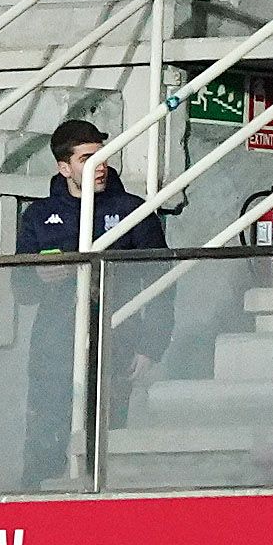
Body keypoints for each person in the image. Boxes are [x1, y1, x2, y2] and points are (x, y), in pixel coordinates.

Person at [15, 119, 169, 485]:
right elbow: (20, 291)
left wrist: (152, 345)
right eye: (86, 158)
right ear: (64, 167)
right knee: (45, 434)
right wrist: (38, 275)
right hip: (54, 345)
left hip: (117, 340)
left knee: (107, 439)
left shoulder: (134, 210)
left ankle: (103, 520)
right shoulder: (37, 216)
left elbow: (162, 281)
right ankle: (36, 508)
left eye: (103, 155)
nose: (99, 165)